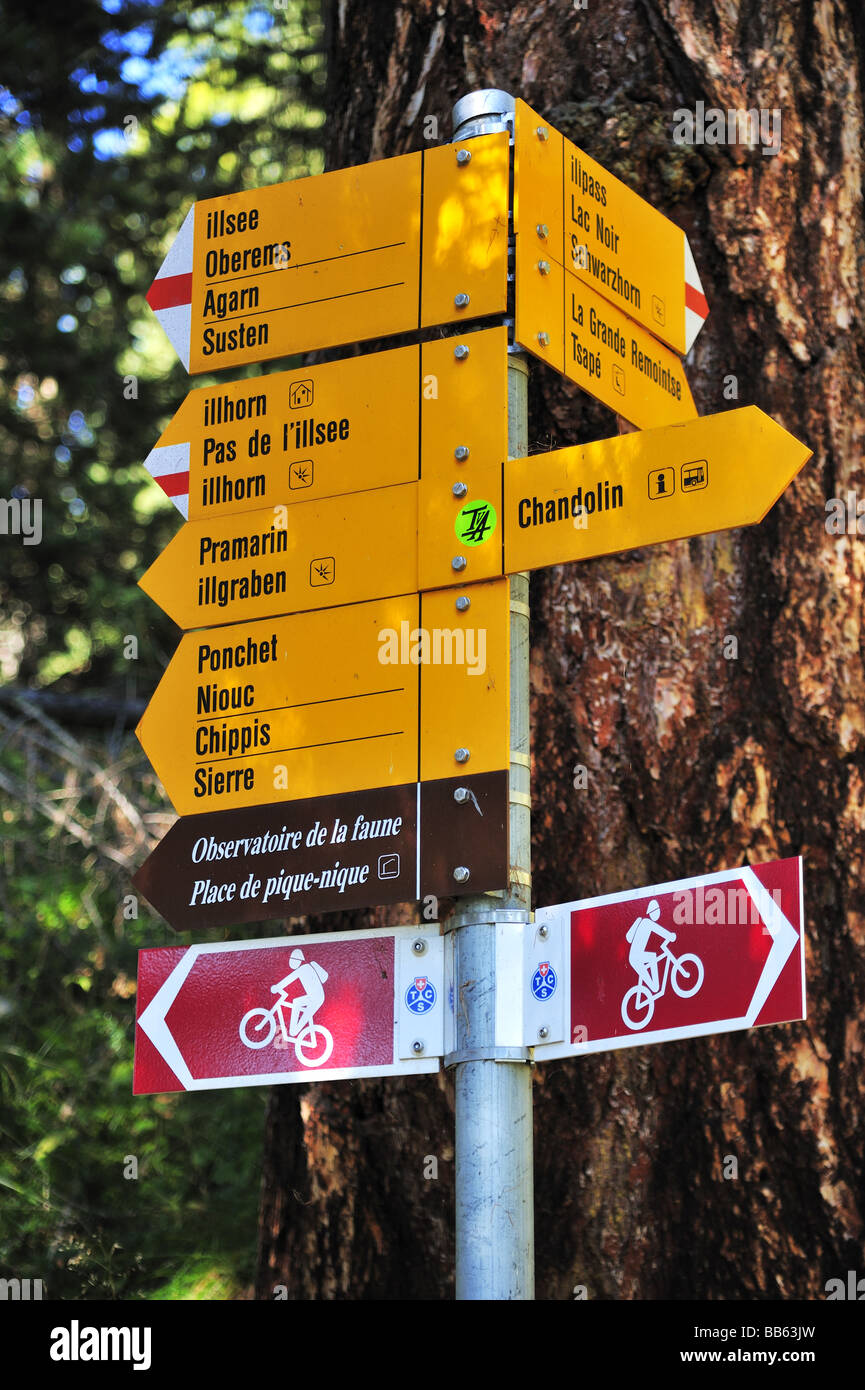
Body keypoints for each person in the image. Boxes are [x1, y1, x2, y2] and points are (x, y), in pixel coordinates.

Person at [271, 947, 328, 1040]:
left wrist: (277, 987)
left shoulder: (303, 969)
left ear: (298, 960)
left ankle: (294, 1031)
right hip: (314, 996)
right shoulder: (306, 967)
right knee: (297, 1001)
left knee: (297, 1002)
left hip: (316, 998)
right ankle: (294, 1030)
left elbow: (289, 979)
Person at [625, 899, 676, 995]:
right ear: (652, 912)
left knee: (652, 956)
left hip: (636, 956)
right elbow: (659, 930)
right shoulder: (647, 923)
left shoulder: (643, 922)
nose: (658, 914)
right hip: (636, 957)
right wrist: (670, 936)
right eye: (657, 911)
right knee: (652, 957)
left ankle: (654, 987)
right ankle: (654, 987)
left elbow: (629, 938)